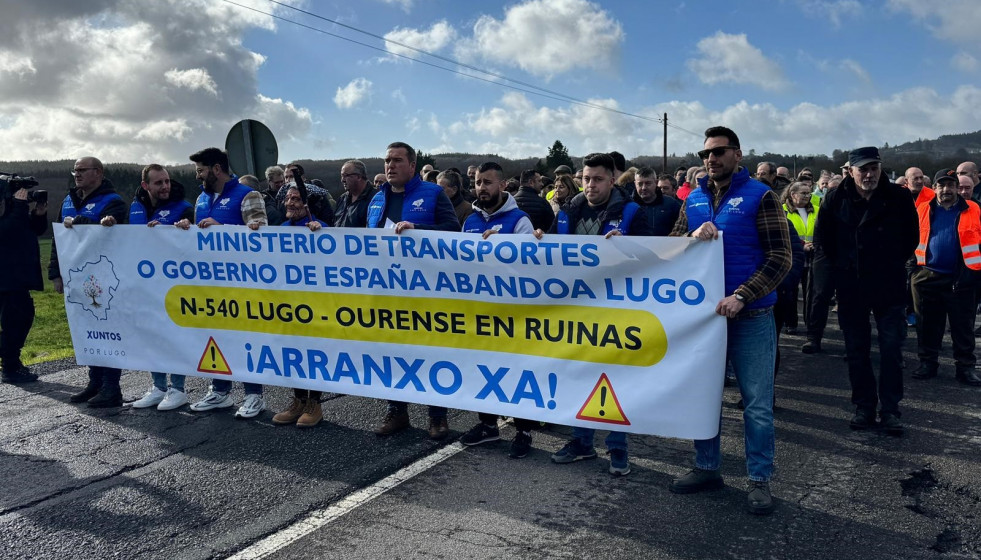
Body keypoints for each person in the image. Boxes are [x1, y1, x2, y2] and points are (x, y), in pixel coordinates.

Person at [667, 127, 791, 516]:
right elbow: (673, 247)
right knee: (703, 398)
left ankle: (759, 480)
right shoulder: (696, 198)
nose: (711, 159)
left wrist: (742, 296)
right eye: (706, 153)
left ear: (738, 155)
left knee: (756, 405)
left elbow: (780, 258)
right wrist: (690, 234)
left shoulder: (761, 196)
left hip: (751, 316)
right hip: (705, 321)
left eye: (720, 152)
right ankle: (707, 467)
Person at [535, 152, 653, 477]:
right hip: (575, 311)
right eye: (586, 178)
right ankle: (582, 442)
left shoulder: (631, 213)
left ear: (612, 180)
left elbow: (652, 261)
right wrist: (540, 240)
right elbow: (553, 250)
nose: (590, 185)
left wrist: (628, 247)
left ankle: (618, 447)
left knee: (613, 381)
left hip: (616, 312)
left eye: (598, 179)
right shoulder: (568, 210)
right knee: (578, 375)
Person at [813, 147, 917, 435]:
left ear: (880, 168)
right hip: (851, 284)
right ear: (851, 170)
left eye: (874, 168)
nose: (869, 174)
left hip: (888, 283)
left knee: (892, 348)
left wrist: (891, 262)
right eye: (863, 169)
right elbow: (824, 239)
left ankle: (891, 409)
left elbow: (911, 236)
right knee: (857, 350)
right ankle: (864, 406)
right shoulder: (836, 198)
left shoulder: (898, 197)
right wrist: (842, 270)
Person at [367, 141, 460, 439]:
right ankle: (397, 410)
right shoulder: (376, 199)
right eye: (386, 161)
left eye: (396, 160)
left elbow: (454, 232)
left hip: (426, 290)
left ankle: (437, 415)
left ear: (412, 166)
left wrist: (419, 231)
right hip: (387, 290)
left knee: (429, 350)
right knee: (393, 350)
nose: (390, 166)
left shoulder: (433, 194)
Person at [176, 148, 269, 418]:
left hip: (243, 283)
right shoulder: (202, 198)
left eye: (201, 170)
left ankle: (254, 395)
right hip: (210, 283)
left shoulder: (247, 195)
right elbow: (200, 239)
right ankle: (220, 390)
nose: (198, 176)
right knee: (215, 336)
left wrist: (222, 228)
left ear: (216, 169)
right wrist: (187, 230)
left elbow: (261, 237)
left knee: (246, 337)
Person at [458, 162, 538, 458]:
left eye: (488, 182)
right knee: (483, 369)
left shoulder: (520, 221)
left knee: (517, 371)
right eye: (478, 182)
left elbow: (529, 268)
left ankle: (524, 429)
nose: (482, 188)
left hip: (513, 314)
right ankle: (488, 425)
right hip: (481, 312)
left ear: (503, 185)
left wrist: (500, 249)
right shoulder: (470, 221)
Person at [251, 182, 330, 427]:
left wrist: (321, 234)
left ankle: (314, 404)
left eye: (296, 199)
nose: (290, 203)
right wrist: (254, 232)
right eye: (288, 199)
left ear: (308, 204)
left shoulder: (321, 228)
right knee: (293, 352)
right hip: (288, 303)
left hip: (313, 304)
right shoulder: (282, 228)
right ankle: (298, 400)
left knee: (312, 351)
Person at [51, 157, 128, 407]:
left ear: (98, 172)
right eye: (75, 170)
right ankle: (94, 381)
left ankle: (111, 386)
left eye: (82, 170)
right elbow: (58, 239)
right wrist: (55, 272)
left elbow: (109, 234)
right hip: (75, 278)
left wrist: (81, 223)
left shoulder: (113, 202)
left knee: (107, 332)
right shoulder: (67, 201)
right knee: (86, 331)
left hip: (104, 278)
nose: (77, 174)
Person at [122, 164, 194, 410]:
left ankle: (178, 388)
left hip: (174, 284)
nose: (165, 186)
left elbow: (195, 244)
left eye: (167, 181)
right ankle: (158, 386)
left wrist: (186, 228)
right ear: (145, 186)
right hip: (144, 283)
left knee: (174, 335)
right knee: (152, 335)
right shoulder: (135, 207)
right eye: (158, 183)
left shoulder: (183, 207)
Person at [911, 169, 981, 386]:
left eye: (950, 185)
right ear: (934, 188)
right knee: (928, 324)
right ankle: (928, 362)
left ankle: (965, 368)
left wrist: (972, 274)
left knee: (963, 326)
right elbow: (911, 238)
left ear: (957, 188)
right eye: (941, 185)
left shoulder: (973, 209)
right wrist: (911, 269)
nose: (946, 190)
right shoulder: (923, 208)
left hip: (961, 278)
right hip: (927, 276)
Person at [0, 174, 47, 384]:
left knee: (20, 319)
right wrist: (19, 207)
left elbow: (34, 230)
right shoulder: (13, 211)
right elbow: (6, 232)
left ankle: (11, 363)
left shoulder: (13, 210)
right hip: (7, 277)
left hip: (16, 276)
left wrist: (38, 214)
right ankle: (10, 366)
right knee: (17, 320)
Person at [782, 182, 819, 333]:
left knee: (810, 294)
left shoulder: (816, 210)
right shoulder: (783, 211)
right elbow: (783, 234)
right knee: (790, 293)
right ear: (793, 194)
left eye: (809, 193)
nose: (807, 196)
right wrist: (800, 245)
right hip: (791, 258)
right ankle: (791, 323)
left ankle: (811, 325)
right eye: (803, 193)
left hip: (812, 257)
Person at [633, 167, 680, 236]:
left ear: (656, 182)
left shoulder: (672, 205)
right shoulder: (629, 206)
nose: (644, 188)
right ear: (635, 184)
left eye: (648, 183)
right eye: (640, 184)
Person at [334, 160, 377, 228]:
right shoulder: (342, 199)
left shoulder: (376, 198)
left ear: (359, 177)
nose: (343, 180)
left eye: (346, 176)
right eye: (342, 176)